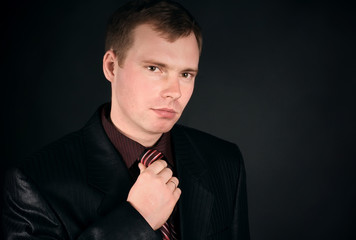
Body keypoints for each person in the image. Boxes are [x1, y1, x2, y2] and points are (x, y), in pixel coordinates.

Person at [2, 0, 250, 239]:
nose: (174, 91)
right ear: (111, 67)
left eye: (186, 74)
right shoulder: (33, 182)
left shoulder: (224, 161)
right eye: (154, 68)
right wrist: (136, 220)